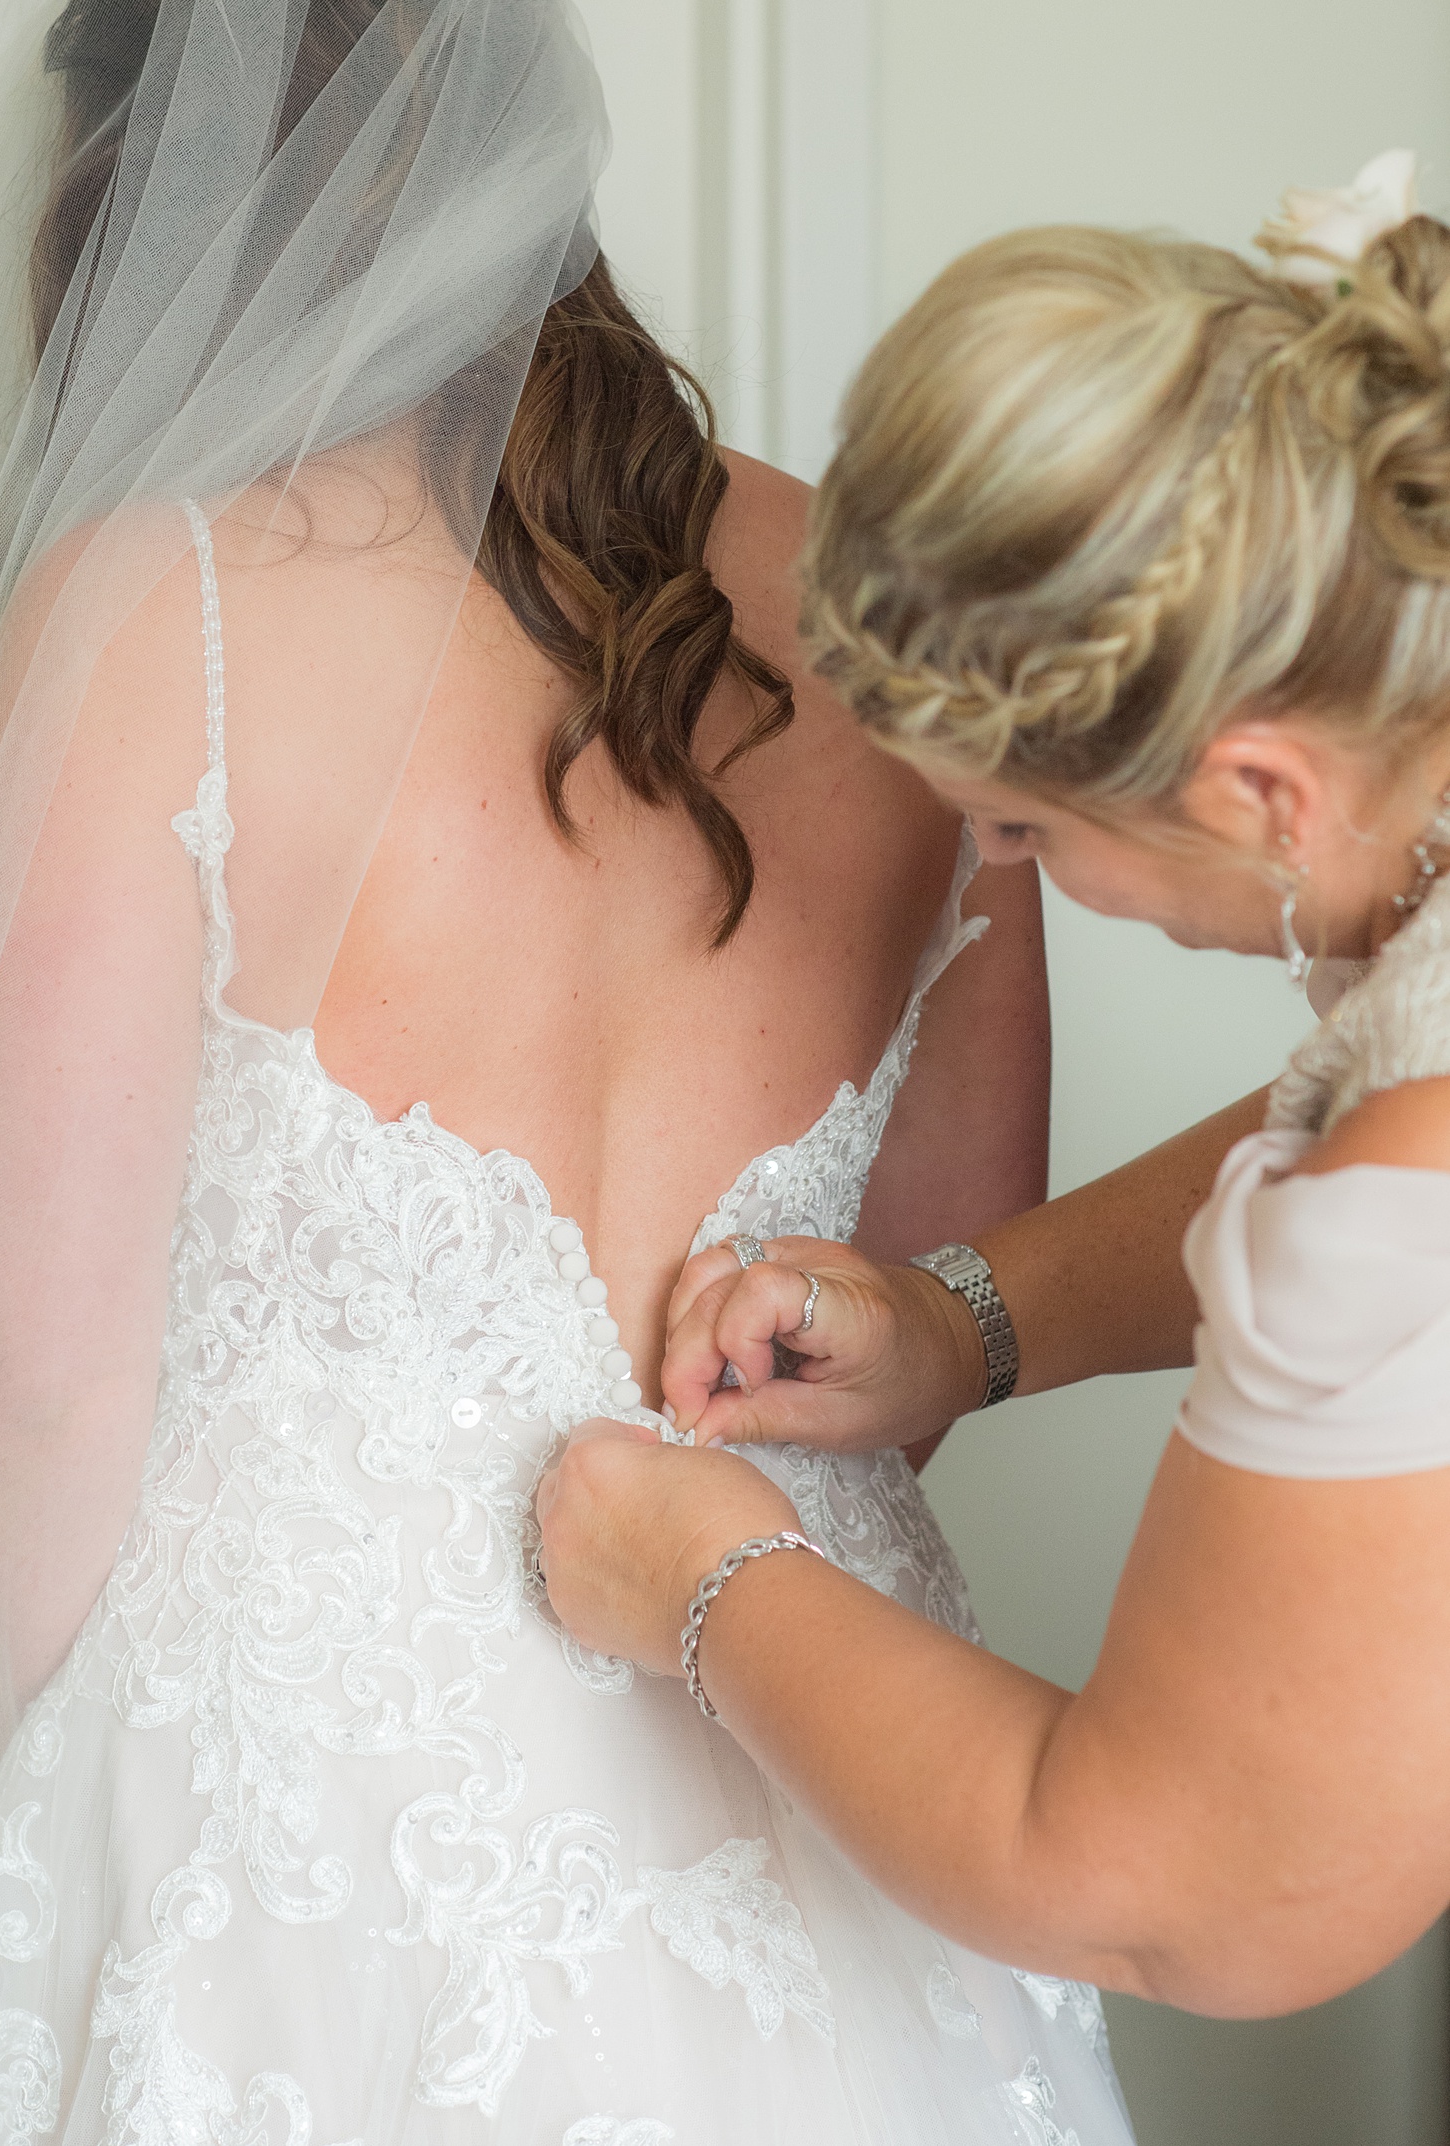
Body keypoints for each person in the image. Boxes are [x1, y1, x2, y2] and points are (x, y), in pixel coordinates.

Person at [0, 0, 1128, 2146]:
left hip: (300, 1823)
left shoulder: (149, 613)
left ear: (149, 211)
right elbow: (952, 1279)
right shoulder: (882, 610)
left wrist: (124, 1817)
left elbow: (34, 1377)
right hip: (828, 1749)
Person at [537, 152, 1450, 2034]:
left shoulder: (1404, 1190)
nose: (1010, 870)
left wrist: (706, 1576)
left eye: (1023, 825)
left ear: (1264, 791)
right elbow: (1348, 1113)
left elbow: (1172, 1898)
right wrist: (964, 1319)